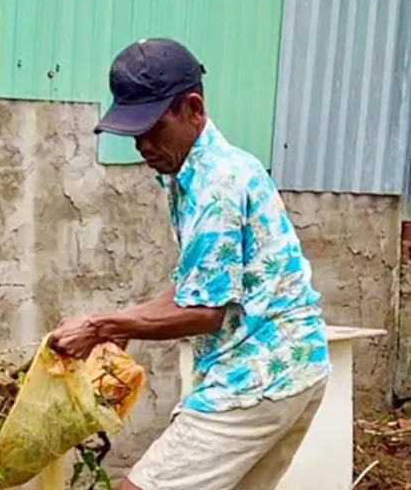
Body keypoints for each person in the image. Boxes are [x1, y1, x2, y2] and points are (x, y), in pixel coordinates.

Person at [49, 38, 331, 490]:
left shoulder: (216, 186)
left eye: (152, 128)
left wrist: (101, 326)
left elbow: (204, 313)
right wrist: (124, 323)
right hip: (298, 369)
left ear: (193, 109)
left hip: (256, 376)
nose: (142, 145)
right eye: (133, 132)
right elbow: (201, 284)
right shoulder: (198, 171)